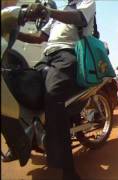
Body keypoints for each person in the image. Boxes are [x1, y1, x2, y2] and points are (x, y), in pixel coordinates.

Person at [11, 0, 97, 179]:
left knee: (53, 97)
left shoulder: (86, 2)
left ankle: (68, 168)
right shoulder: (57, 13)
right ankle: (19, 142)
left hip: (69, 55)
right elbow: (39, 38)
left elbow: (80, 18)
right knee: (19, 86)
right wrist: (14, 32)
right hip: (47, 58)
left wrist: (48, 11)